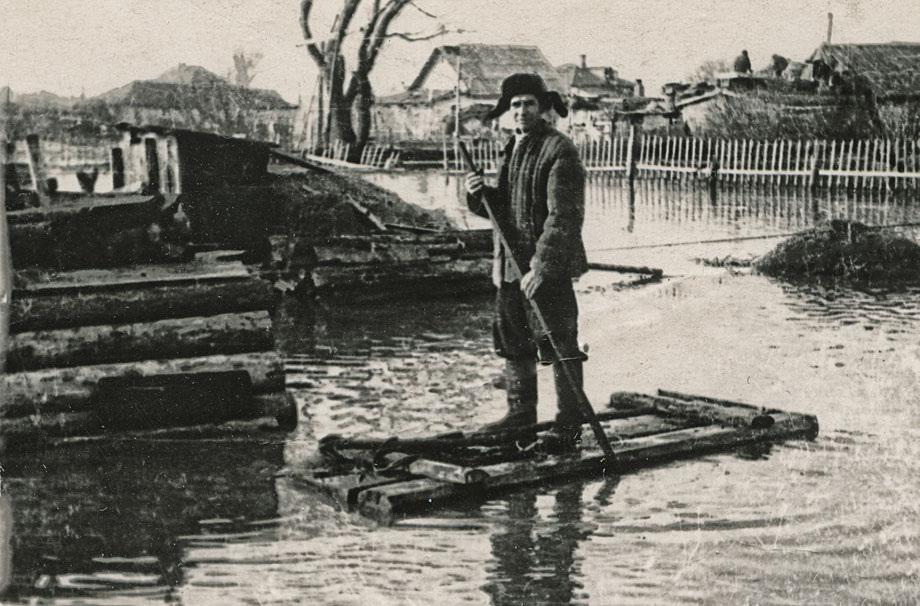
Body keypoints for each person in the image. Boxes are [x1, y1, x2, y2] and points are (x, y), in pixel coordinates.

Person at [464, 72, 588, 447]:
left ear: (544, 108)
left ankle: (568, 425)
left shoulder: (559, 150)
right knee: (513, 340)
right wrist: (478, 194)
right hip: (508, 266)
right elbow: (504, 208)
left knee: (559, 342)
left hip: (543, 269)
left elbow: (563, 216)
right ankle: (520, 417)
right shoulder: (511, 148)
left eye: (528, 104)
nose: (521, 111)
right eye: (514, 105)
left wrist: (540, 267)